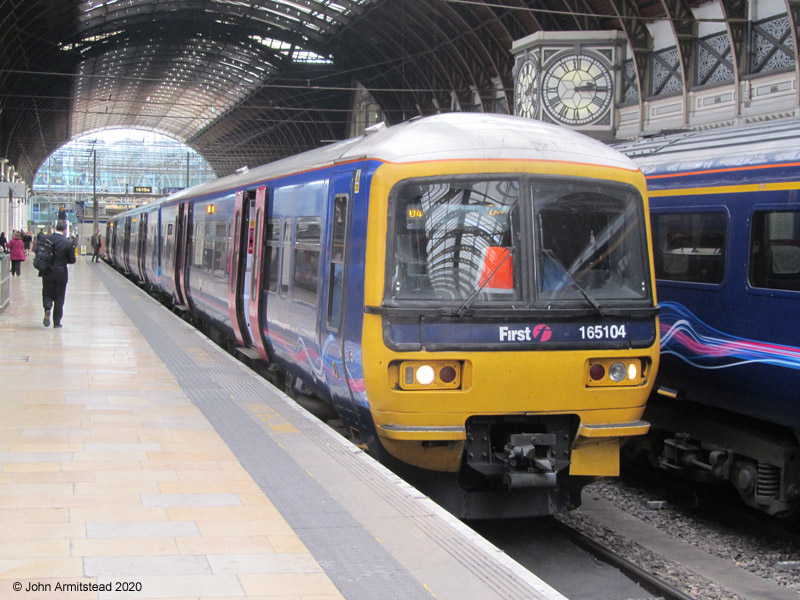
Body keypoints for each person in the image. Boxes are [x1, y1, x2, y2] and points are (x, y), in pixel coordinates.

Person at [40, 220, 76, 329]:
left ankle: (47, 308)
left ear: (55, 227)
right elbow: (72, 260)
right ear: (65, 230)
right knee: (59, 298)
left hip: (47, 272)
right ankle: (57, 322)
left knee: (47, 293)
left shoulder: (47, 239)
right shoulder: (68, 243)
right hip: (61, 274)